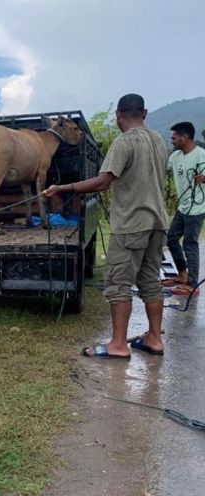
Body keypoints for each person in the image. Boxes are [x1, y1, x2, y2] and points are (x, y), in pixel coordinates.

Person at [44, 94, 169, 359]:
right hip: (158, 222)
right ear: (144, 113)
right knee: (150, 280)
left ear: (119, 116)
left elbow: (103, 182)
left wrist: (63, 188)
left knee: (118, 282)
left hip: (132, 224)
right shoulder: (159, 141)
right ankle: (155, 339)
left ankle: (118, 345)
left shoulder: (124, 142)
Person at [164, 121, 205, 296]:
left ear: (184, 137)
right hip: (183, 207)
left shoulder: (201, 155)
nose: (172, 141)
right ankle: (182, 274)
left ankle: (192, 284)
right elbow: (161, 171)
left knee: (190, 243)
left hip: (198, 207)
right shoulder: (175, 157)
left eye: (174, 137)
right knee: (171, 238)